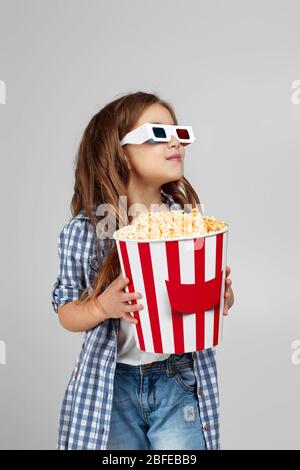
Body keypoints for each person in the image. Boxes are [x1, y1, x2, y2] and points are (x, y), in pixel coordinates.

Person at [51, 91, 234, 450]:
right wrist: (101, 307)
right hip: (112, 384)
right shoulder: (88, 230)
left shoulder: (189, 224)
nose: (176, 143)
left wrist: (216, 296)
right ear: (119, 152)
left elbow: (192, 300)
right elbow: (66, 312)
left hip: (177, 379)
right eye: (157, 134)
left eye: (180, 133)